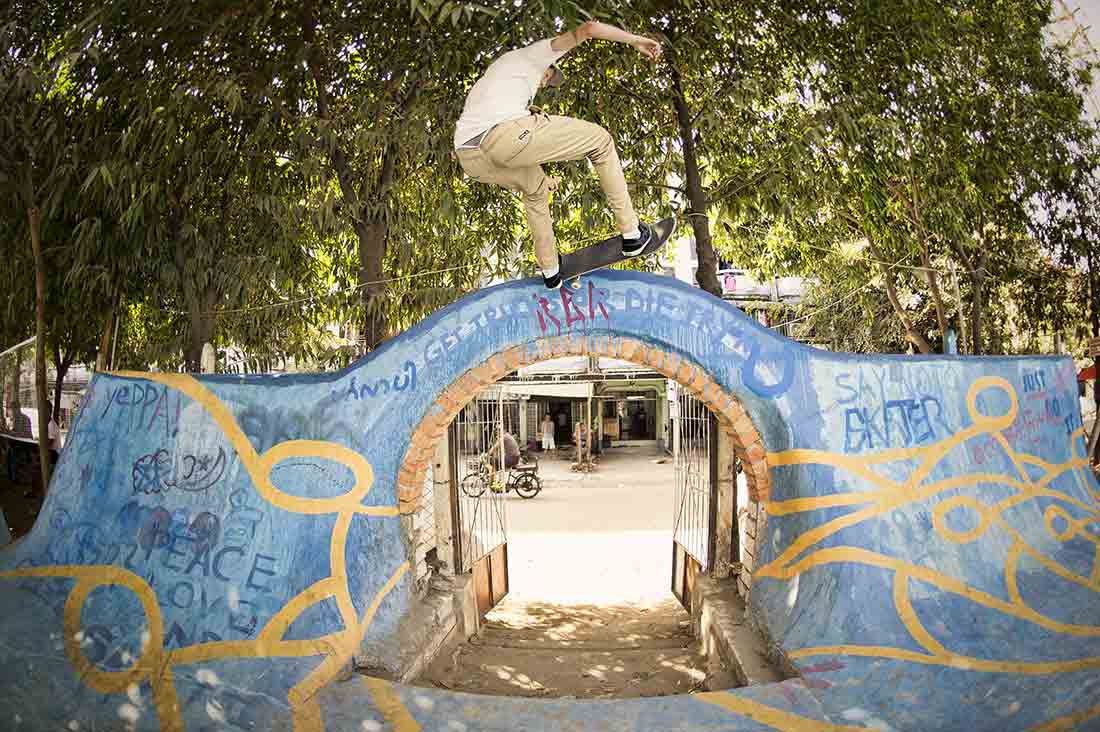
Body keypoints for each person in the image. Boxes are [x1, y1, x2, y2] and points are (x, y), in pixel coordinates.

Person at [454, 21, 664, 290]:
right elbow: (588, 29)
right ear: (546, 65)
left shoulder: (496, 81)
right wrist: (635, 39)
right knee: (601, 141)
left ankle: (551, 270)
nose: (544, 84)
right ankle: (632, 233)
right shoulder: (533, 56)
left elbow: (513, 149)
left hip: (470, 157)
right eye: (547, 77)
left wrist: (545, 178)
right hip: (503, 137)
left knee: (536, 190)